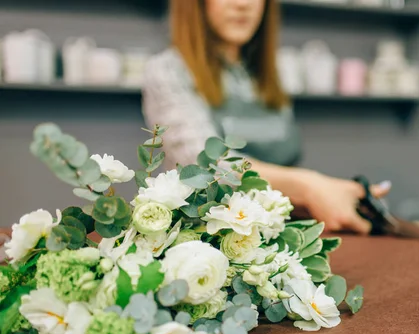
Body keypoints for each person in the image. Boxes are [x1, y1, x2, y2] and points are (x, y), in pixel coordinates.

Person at [143, 0, 391, 233]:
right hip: (211, 239)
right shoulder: (168, 70)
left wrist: (334, 195)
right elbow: (203, 167)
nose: (243, 4)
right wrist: (309, 187)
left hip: (279, 233)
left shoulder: (275, 72)